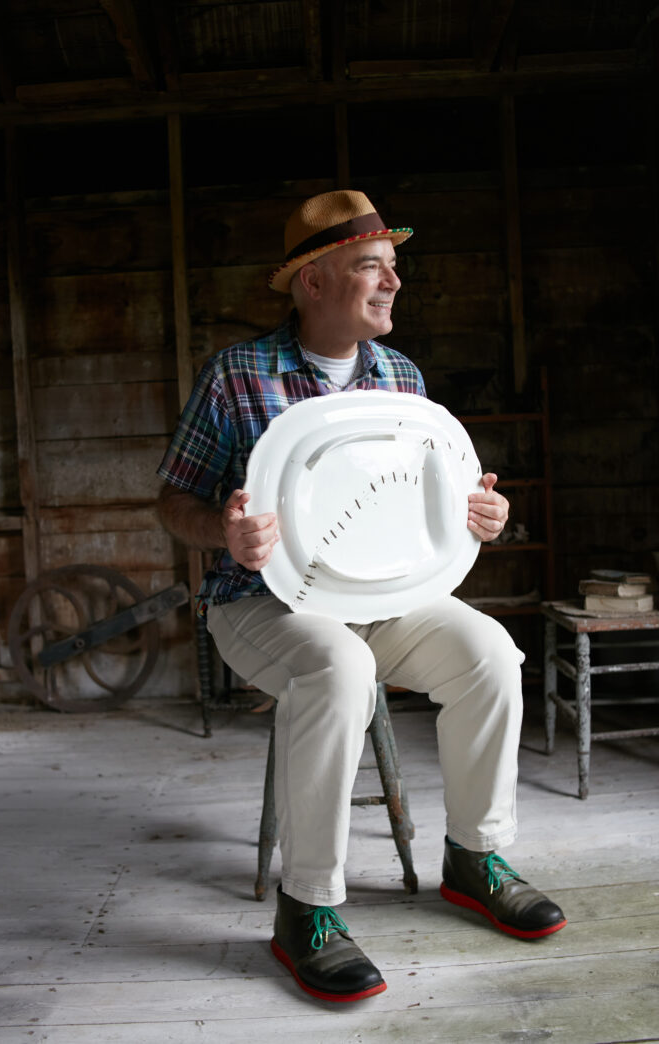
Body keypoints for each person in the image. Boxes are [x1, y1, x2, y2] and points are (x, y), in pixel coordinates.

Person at [156, 190, 567, 1003]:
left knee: (490, 653)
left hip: (383, 598)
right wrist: (222, 530)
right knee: (339, 667)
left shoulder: (401, 380)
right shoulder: (239, 374)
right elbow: (172, 500)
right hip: (260, 603)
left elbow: (426, 506)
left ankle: (473, 856)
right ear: (312, 281)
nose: (393, 284)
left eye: (393, 267)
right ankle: (307, 907)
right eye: (371, 267)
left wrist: (480, 514)